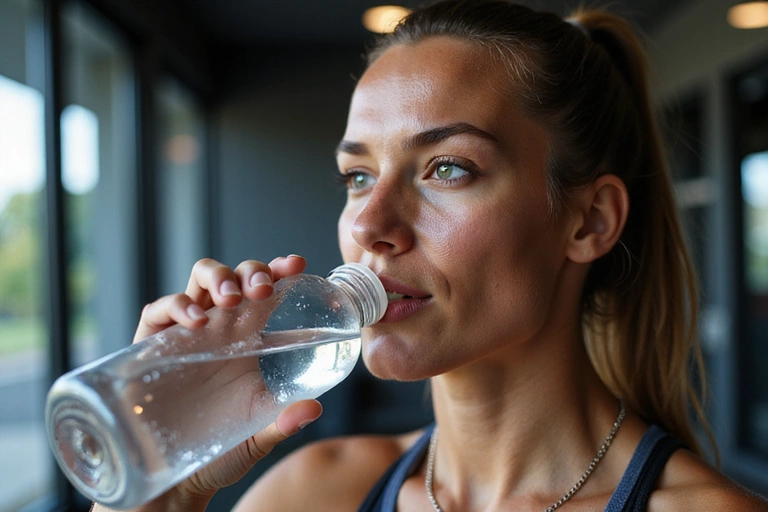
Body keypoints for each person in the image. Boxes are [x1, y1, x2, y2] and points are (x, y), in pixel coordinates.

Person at [94, 1, 768, 510]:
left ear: (589, 221)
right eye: (357, 177)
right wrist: (155, 495)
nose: (368, 222)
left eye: (447, 168)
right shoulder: (313, 493)